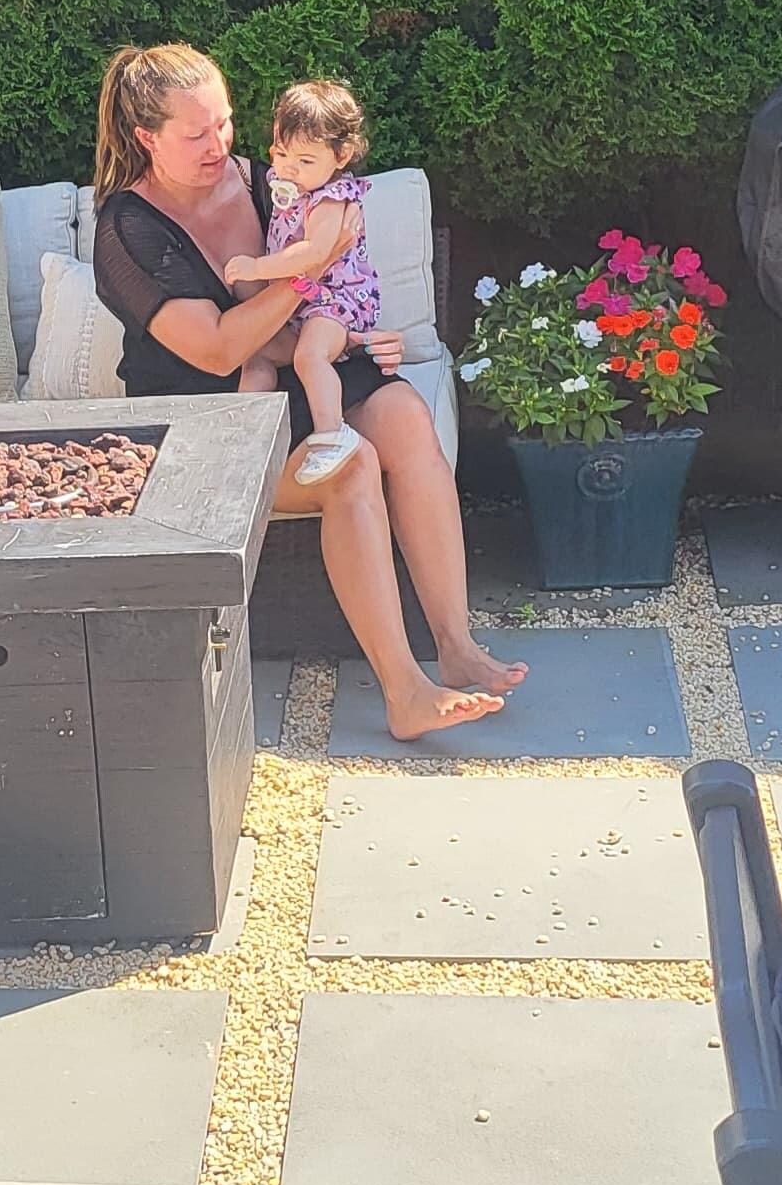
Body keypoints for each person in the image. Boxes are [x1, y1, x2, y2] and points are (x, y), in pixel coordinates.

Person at [90, 42, 526, 741]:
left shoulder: (271, 183)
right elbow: (219, 346)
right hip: (212, 421)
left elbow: (313, 305)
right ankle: (404, 690)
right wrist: (306, 272)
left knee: (407, 417)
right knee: (349, 459)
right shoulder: (126, 230)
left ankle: (455, 644)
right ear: (147, 138)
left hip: (295, 375)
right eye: (196, 133)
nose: (219, 144)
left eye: (225, 123)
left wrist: (351, 338)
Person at [222, 77, 383, 487]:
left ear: (341, 155)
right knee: (255, 355)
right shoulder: (292, 187)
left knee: (309, 357)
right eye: (282, 154)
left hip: (336, 303)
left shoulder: (331, 198)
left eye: (306, 161)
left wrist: (258, 269)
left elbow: (315, 253)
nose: (290, 168)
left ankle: (332, 435)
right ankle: (239, 438)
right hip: (302, 304)